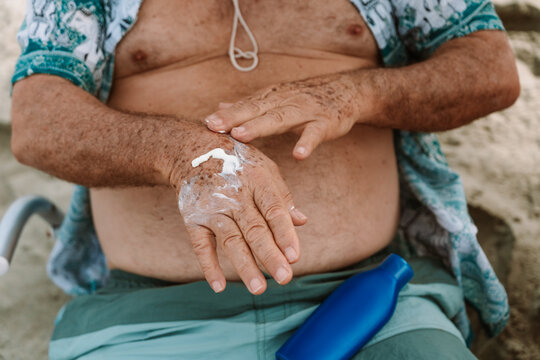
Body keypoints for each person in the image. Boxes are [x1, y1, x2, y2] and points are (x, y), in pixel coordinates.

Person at [10, 0, 519, 358]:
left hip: (371, 302)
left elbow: (489, 68)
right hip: (152, 319)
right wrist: (183, 154)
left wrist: (353, 95)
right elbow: (38, 120)